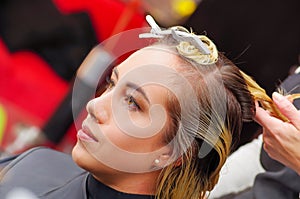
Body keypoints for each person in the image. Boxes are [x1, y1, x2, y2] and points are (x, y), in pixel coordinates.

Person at [0, 16, 297, 199]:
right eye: (112, 84)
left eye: (132, 103)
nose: (93, 105)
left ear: (172, 152)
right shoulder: (30, 163)